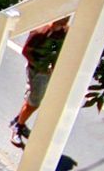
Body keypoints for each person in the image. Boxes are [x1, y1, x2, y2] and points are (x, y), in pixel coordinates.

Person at [11, 18, 68, 148]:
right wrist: (40, 66)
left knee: (35, 98)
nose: (56, 27)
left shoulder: (65, 32)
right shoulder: (40, 32)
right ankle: (18, 126)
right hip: (37, 71)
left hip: (49, 71)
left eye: (60, 24)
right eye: (56, 23)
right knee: (34, 102)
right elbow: (26, 51)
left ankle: (20, 120)